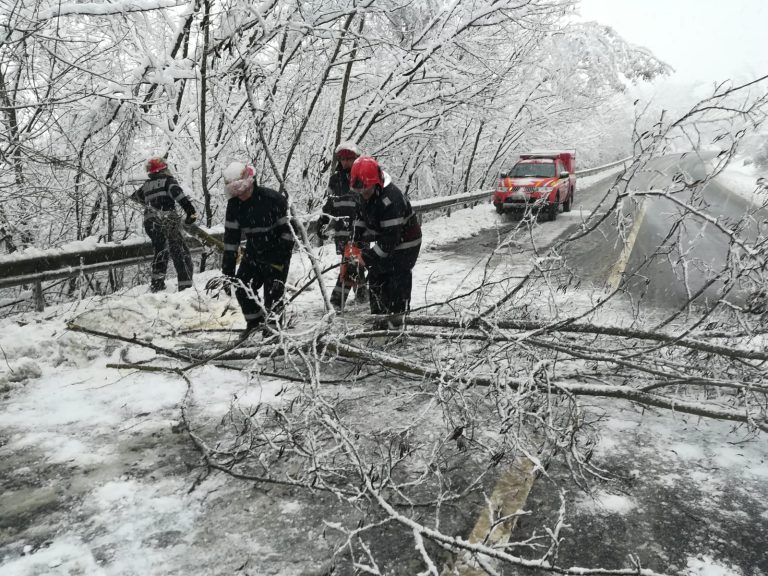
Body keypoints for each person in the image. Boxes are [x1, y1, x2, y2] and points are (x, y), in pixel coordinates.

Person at [218, 161, 295, 337]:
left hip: (277, 252)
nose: (239, 194)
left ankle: (273, 331)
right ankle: (255, 323)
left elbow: (289, 233)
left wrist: (278, 260)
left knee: (273, 294)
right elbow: (231, 240)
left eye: (241, 189)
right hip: (253, 252)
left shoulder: (273, 200)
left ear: (249, 183)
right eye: (234, 190)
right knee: (242, 287)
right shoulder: (234, 206)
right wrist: (228, 270)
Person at [349, 156, 421, 317]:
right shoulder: (364, 193)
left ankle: (396, 322)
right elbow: (360, 218)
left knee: (395, 281)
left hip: (406, 244)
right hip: (387, 239)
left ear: (376, 183)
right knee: (376, 278)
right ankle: (378, 318)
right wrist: (355, 243)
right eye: (359, 190)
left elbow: (390, 240)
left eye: (365, 189)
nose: (362, 193)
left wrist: (365, 258)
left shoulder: (391, 200)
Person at [131, 157, 197, 292]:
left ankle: (157, 284)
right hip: (167, 221)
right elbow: (179, 196)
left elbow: (134, 197)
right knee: (180, 252)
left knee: (160, 251)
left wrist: (152, 201)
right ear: (163, 169)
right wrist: (191, 213)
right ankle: (185, 286)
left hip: (150, 223)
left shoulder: (146, 185)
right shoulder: (168, 181)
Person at [317, 141, 368, 309]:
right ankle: (363, 295)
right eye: (343, 159)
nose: (346, 162)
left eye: (349, 159)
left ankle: (336, 303)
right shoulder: (335, 180)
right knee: (354, 263)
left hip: (359, 230)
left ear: (356, 158)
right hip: (342, 230)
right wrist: (322, 220)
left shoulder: (362, 178)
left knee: (351, 263)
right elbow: (329, 205)